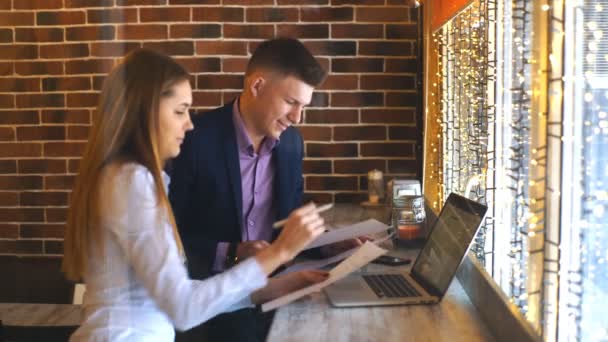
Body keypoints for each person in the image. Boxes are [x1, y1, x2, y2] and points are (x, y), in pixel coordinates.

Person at [61, 48, 328, 341]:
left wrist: (279, 286)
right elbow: (185, 308)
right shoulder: (131, 182)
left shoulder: (129, 177)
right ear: (146, 111)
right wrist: (280, 252)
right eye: (180, 111)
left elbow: (187, 298)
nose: (189, 124)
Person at [169, 38, 363, 341]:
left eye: (303, 106)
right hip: (209, 303)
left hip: (275, 292)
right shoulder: (193, 139)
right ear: (257, 86)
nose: (297, 118)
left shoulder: (291, 143)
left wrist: (327, 243)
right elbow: (170, 235)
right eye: (291, 102)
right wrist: (232, 252)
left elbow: (287, 218)